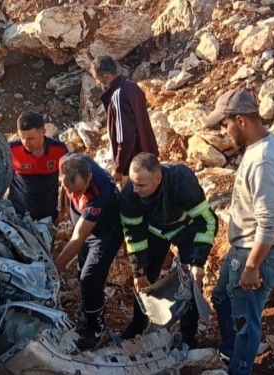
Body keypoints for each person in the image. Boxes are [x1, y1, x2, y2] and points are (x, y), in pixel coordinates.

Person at [204, 89, 274, 375]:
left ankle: (239, 368)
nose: (223, 131)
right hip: (244, 249)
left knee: (245, 320)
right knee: (222, 298)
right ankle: (230, 352)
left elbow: (269, 221)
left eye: (225, 124)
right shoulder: (262, 146)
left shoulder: (264, 160)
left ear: (241, 120)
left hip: (259, 254)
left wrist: (253, 266)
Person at [118, 152, 217, 349]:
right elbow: (133, 234)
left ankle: (188, 337)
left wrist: (197, 261)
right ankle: (139, 324)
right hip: (154, 230)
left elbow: (207, 221)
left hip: (185, 228)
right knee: (145, 279)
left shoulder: (181, 180)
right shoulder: (130, 194)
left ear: (158, 178)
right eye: (133, 182)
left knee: (190, 280)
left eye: (141, 185)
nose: (135, 189)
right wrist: (139, 271)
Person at [53, 153, 123, 351]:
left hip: (105, 233)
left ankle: (96, 329)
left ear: (89, 177)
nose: (75, 196)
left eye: (79, 191)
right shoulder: (67, 162)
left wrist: (54, 269)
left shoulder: (101, 190)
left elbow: (78, 238)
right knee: (82, 273)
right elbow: (65, 189)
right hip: (85, 227)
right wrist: (63, 211)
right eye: (71, 191)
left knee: (90, 277)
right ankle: (89, 317)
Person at [89, 55, 159, 183]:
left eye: (97, 79)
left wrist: (119, 167)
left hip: (134, 167)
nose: (97, 83)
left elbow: (125, 136)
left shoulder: (118, 95)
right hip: (149, 160)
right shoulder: (133, 87)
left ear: (106, 77)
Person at [8, 112, 69, 222]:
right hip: (18, 217)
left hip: (48, 216)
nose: (26, 143)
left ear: (43, 132)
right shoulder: (11, 149)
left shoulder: (59, 150)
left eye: (31, 138)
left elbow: (68, 181)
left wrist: (63, 210)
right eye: (22, 138)